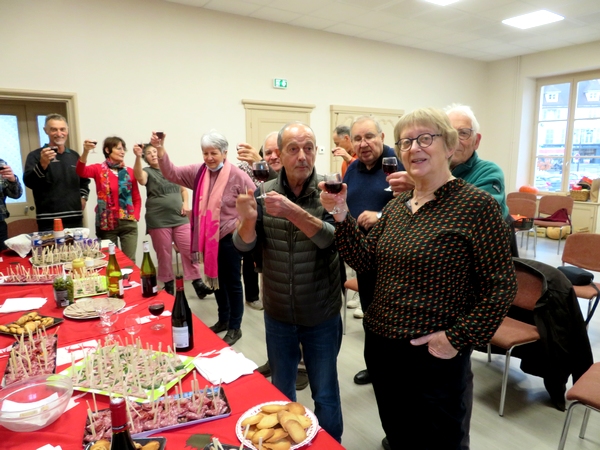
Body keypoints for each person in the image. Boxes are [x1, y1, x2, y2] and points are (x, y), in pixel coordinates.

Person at [321, 108, 516, 450]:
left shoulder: (476, 206)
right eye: (406, 141)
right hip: (383, 351)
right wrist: (340, 212)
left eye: (426, 138)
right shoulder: (398, 207)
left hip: (434, 357)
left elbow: (501, 287)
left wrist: (457, 338)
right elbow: (364, 259)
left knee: (440, 441)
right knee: (398, 435)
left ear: (450, 146)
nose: (415, 148)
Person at [233, 122, 343, 442]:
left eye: (309, 147)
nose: (302, 156)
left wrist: (293, 212)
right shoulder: (264, 193)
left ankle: (331, 445)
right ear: (278, 155)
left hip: (320, 312)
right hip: (279, 312)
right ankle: (284, 446)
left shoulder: (329, 190)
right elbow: (244, 246)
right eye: (293, 149)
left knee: (325, 393)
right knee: (279, 393)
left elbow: (333, 241)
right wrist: (248, 223)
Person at [156, 131, 254, 346]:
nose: (209, 158)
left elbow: (254, 201)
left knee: (232, 283)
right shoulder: (198, 172)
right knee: (215, 279)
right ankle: (223, 319)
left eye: (214, 153)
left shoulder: (237, 175)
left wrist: (240, 224)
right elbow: (171, 172)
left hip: (229, 238)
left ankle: (235, 327)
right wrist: (161, 149)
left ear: (225, 153)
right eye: (205, 153)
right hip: (209, 239)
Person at [342, 116, 405, 388]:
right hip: (365, 259)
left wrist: (381, 215)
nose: (363, 143)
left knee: (394, 321)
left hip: (396, 262)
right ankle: (375, 367)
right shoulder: (353, 168)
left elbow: (417, 206)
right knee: (370, 316)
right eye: (357, 138)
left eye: (369, 136)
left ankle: (395, 374)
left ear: (382, 136)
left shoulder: (399, 165)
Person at [132, 143, 213, 298]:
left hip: (179, 218)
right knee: (164, 254)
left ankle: (198, 284)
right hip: (158, 220)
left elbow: (183, 190)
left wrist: (185, 204)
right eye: (149, 153)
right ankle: (168, 286)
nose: (153, 154)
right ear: (146, 158)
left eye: (155, 151)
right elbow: (140, 179)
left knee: (190, 250)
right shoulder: (147, 171)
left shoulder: (171, 170)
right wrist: (137, 157)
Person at [76, 137, 141, 262]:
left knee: (130, 260)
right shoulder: (98, 169)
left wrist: (136, 216)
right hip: (106, 223)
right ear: (107, 150)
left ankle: (129, 282)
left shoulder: (130, 172)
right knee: (111, 260)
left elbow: (136, 197)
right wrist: (85, 152)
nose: (123, 152)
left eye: (123, 149)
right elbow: (80, 171)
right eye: (119, 148)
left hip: (128, 222)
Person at [23, 114, 90, 231]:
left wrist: (83, 197)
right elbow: (29, 182)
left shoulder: (75, 156)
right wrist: (42, 164)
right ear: (46, 131)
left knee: (77, 249)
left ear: (67, 131)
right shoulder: (35, 155)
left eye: (62, 129)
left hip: (75, 217)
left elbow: (84, 180)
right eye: (54, 129)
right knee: (51, 250)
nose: (59, 134)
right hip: (48, 220)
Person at [0, 161, 23, 250]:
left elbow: (16, 194)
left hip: (0, 224)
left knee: (2, 259)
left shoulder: (1, 164)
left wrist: (12, 180)